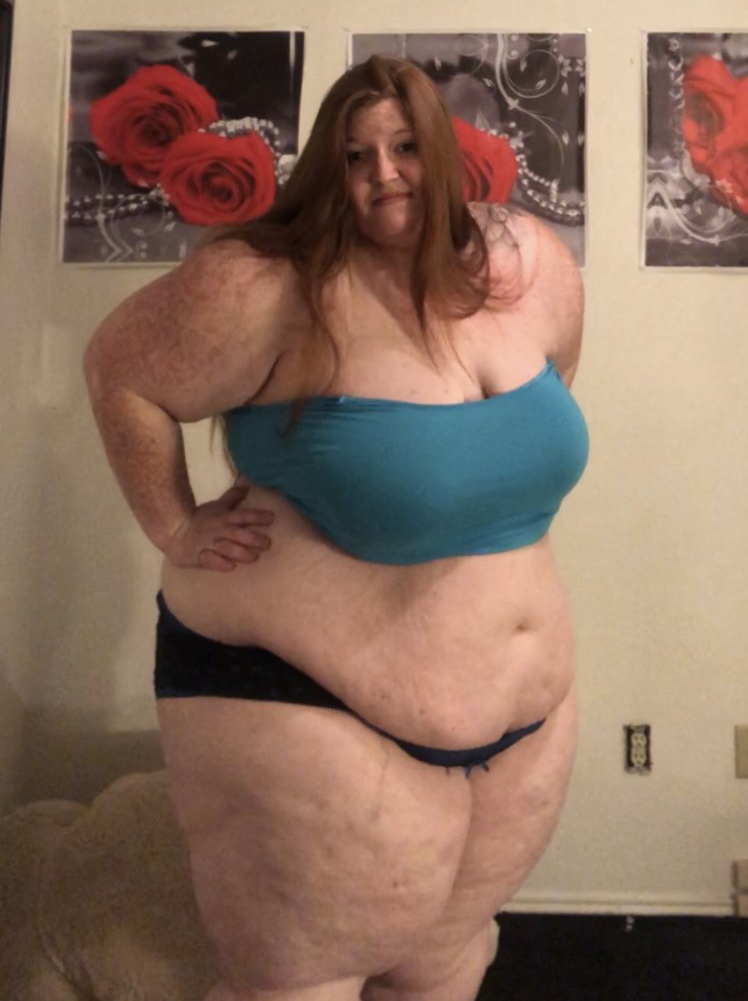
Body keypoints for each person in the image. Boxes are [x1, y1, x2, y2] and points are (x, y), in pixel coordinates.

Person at [84, 54, 588, 1001]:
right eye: (357, 156)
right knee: (299, 986)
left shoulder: (526, 263)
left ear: (443, 151)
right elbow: (121, 373)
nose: (384, 174)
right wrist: (174, 525)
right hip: (303, 698)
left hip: (523, 720)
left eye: (405, 148)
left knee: (443, 966)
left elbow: (553, 392)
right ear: (330, 166)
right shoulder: (267, 284)